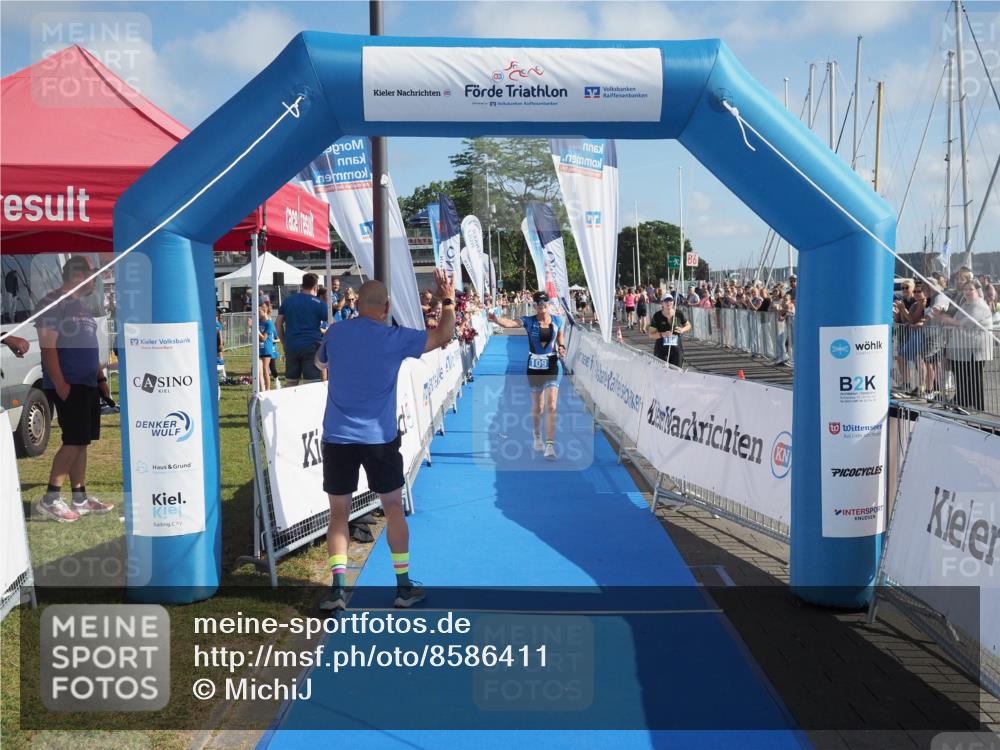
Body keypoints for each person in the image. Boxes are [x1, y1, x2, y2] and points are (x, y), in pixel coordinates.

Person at [314, 269, 456, 612]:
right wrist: (447, 299)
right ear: (385, 306)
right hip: (379, 439)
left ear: (357, 304)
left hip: (338, 437)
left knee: (338, 514)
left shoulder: (336, 331)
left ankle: (338, 590)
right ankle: (403, 587)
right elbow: (443, 336)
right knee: (393, 509)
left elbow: (321, 362)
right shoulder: (394, 337)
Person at [34, 256, 115, 522]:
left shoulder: (80, 306)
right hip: (70, 383)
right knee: (73, 441)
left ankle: (79, 498)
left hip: (88, 382)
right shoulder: (53, 302)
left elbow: (88, 347)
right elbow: (48, 347)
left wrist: (101, 380)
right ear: (79, 276)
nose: (96, 280)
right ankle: (50, 499)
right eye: (93, 275)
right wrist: (61, 384)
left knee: (82, 442)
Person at [488, 290, 566, 460]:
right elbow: (510, 323)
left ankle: (550, 445)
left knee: (552, 405)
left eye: (544, 304)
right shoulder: (529, 321)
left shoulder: (558, 320)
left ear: (548, 305)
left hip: (552, 365)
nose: (541, 307)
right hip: (534, 367)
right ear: (534, 306)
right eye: (538, 304)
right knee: (538, 407)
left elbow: (560, 336)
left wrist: (562, 347)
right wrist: (496, 319)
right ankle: (537, 435)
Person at [937, 279, 993, 411]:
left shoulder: (980, 305)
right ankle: (962, 402)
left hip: (974, 350)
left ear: (977, 291)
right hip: (960, 349)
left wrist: (948, 320)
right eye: (965, 289)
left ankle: (977, 407)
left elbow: (966, 323)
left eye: (971, 289)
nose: (967, 292)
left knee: (974, 378)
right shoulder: (964, 304)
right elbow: (957, 321)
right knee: (961, 377)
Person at [276, 272, 328, 386]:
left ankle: (291, 404)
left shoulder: (288, 301)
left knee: (291, 384)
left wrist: (284, 342)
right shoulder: (320, 304)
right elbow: (332, 324)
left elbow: (278, 323)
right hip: (311, 346)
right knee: (311, 385)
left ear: (302, 285)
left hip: (292, 346)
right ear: (315, 287)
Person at [648, 294, 691, 368]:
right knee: (663, 372)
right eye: (666, 301)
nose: (669, 303)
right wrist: (663, 334)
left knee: (677, 372)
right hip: (661, 349)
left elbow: (688, 325)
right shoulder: (657, 316)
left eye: (671, 301)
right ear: (662, 303)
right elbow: (651, 334)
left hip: (676, 349)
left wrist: (682, 330)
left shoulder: (678, 313)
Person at [257, 304, 278, 391]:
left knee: (266, 369)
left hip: (266, 349)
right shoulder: (258, 322)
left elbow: (263, 338)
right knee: (259, 370)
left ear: (264, 312)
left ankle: (268, 389)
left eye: (259, 312)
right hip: (259, 349)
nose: (257, 313)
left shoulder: (269, 323)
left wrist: (256, 330)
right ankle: (262, 389)